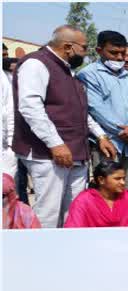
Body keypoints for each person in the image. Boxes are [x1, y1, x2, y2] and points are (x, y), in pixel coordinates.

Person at [12, 25, 116, 228]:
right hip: (48, 155)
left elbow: (79, 112)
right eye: (84, 48)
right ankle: (42, 257)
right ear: (68, 46)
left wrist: (101, 136)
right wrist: (56, 144)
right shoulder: (36, 64)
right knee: (48, 214)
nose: (86, 54)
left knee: (74, 213)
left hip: (76, 153)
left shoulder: (67, 70)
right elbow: (30, 108)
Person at [77, 30, 128, 195]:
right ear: (99, 50)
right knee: (105, 193)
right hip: (108, 145)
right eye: (113, 53)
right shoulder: (88, 74)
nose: (119, 58)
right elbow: (97, 110)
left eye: (122, 53)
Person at [64, 161, 128, 228]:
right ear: (101, 180)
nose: (123, 182)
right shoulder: (84, 200)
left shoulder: (127, 197)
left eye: (124, 178)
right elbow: (73, 228)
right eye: (117, 179)